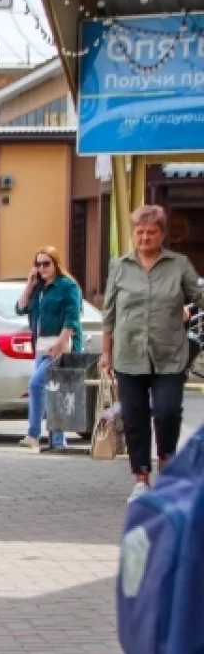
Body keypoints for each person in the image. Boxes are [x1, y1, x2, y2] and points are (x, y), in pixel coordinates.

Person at [100, 204, 204, 501]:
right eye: (140, 232)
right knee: (135, 416)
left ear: (162, 234)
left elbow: (199, 296)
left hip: (169, 354)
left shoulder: (179, 265)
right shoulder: (119, 266)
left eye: (151, 232)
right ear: (134, 234)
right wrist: (106, 353)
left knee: (167, 411)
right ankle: (142, 478)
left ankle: (167, 465)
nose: (145, 238)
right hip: (128, 354)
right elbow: (109, 314)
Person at [16, 245, 84, 452]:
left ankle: (33, 434)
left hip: (60, 345)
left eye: (46, 263)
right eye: (38, 264)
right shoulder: (38, 288)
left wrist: (61, 343)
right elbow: (20, 308)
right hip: (42, 346)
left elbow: (72, 319)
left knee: (36, 384)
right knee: (55, 392)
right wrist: (29, 284)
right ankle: (57, 443)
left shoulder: (68, 286)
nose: (42, 268)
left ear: (56, 264)